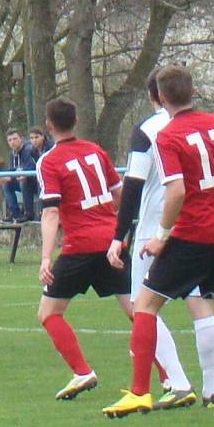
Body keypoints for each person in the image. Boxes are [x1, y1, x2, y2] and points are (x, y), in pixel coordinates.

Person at [102, 64, 214, 427]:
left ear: (161, 97)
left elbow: (175, 190)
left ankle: (139, 391)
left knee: (144, 305)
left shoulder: (168, 135)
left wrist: (161, 235)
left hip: (192, 236)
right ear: (192, 91)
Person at [106, 68, 214, 410]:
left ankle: (177, 382)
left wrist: (118, 236)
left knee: (144, 306)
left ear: (154, 96)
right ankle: (211, 388)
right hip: (198, 224)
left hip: (157, 227)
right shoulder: (213, 125)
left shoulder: (147, 130)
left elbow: (134, 186)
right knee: (199, 301)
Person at [35, 98, 133, 400]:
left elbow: (51, 212)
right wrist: (115, 229)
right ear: (76, 120)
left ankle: (82, 372)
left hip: (80, 248)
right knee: (139, 311)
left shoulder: (49, 161)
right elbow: (119, 196)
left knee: (49, 312)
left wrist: (45, 257)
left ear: (49, 126)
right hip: (111, 242)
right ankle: (171, 380)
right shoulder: (96, 151)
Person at [0, 129, 36, 223]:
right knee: (6, 184)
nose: (12, 142)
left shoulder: (28, 150)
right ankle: (15, 214)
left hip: (34, 182)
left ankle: (29, 213)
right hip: (22, 181)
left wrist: (10, 177)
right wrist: (3, 176)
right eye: (9, 140)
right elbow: (14, 170)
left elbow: (28, 170)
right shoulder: (12, 154)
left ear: (21, 139)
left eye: (15, 139)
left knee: (23, 181)